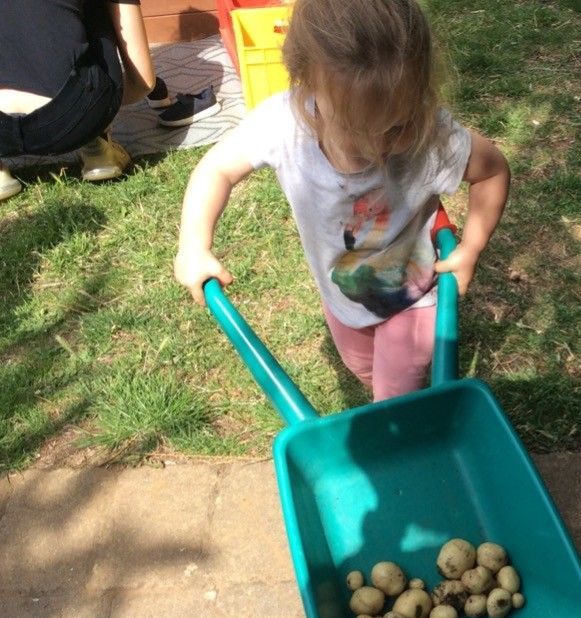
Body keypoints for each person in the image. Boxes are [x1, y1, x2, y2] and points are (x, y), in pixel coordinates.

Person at [174, 0, 510, 401]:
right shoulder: (283, 125)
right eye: (357, 127)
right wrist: (194, 246)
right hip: (342, 295)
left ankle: (397, 424)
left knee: (394, 400)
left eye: (396, 125)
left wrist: (471, 247)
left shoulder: (428, 135)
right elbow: (216, 170)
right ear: (306, 85)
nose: (378, 144)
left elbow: (491, 171)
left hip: (414, 294)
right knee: (362, 367)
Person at [0, 0, 168, 201]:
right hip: (76, 115)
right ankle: (97, 145)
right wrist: (106, 106)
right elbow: (143, 82)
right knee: (100, 6)